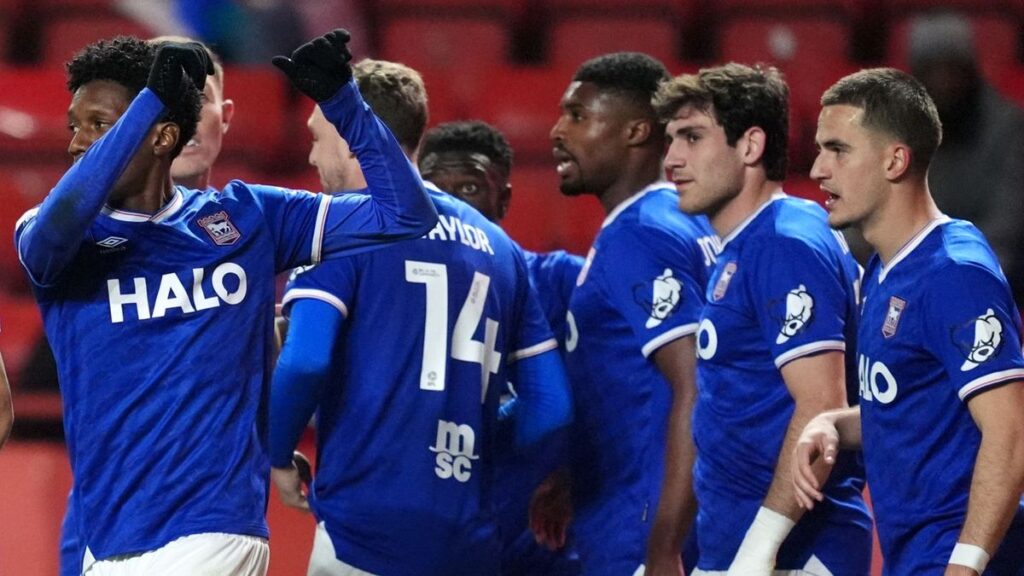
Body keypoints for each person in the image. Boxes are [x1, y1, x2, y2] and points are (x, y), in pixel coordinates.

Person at [15, 30, 436, 575]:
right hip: (108, 539)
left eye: (99, 125)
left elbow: (405, 215)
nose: (76, 142)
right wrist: (147, 104)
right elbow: (57, 226)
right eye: (75, 125)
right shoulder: (56, 237)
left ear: (162, 135)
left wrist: (342, 102)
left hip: (215, 530)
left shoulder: (248, 217)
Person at [270, 60, 574, 576]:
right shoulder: (501, 249)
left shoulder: (341, 227)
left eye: (318, 137)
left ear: (349, 137)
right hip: (469, 539)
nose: (311, 154)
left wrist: (277, 454)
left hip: (363, 531)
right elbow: (550, 406)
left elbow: (304, 363)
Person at [795, 67, 1024, 575]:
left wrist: (964, 565)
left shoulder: (954, 275)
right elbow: (916, 408)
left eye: (838, 150)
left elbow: (1011, 434)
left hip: (961, 554)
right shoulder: (885, 267)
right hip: (915, 553)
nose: (817, 170)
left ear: (895, 159)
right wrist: (833, 424)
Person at [653, 63, 871, 575]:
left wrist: (758, 549)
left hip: (793, 553)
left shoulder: (783, 242)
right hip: (746, 544)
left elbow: (822, 407)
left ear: (750, 146)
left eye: (691, 137)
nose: (672, 159)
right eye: (669, 140)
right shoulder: (752, 242)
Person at [530, 52, 717, 576]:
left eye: (578, 115)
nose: (557, 130)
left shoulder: (639, 233)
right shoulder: (688, 223)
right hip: (644, 509)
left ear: (637, 131)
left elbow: (697, 384)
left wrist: (663, 545)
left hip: (640, 530)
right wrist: (578, 471)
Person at [55, 35, 235, 576]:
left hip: (211, 522)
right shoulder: (71, 237)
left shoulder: (250, 230)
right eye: (159, 96)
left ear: (222, 117)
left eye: (196, 97)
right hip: (108, 518)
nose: (184, 112)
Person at [419, 120, 582, 576]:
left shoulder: (563, 282)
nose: (450, 203)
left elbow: (625, 391)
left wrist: (575, 472)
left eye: (470, 186)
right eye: (434, 186)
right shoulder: (398, 292)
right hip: (431, 538)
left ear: (504, 200)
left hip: (543, 545)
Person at [907, 12, 1024, 306]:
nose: (943, 83)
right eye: (931, 72)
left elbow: (1006, 229)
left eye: (952, 70)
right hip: (912, 276)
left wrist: (957, 281)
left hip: (991, 276)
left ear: (971, 71)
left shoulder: (1009, 128)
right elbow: (870, 220)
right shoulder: (899, 128)